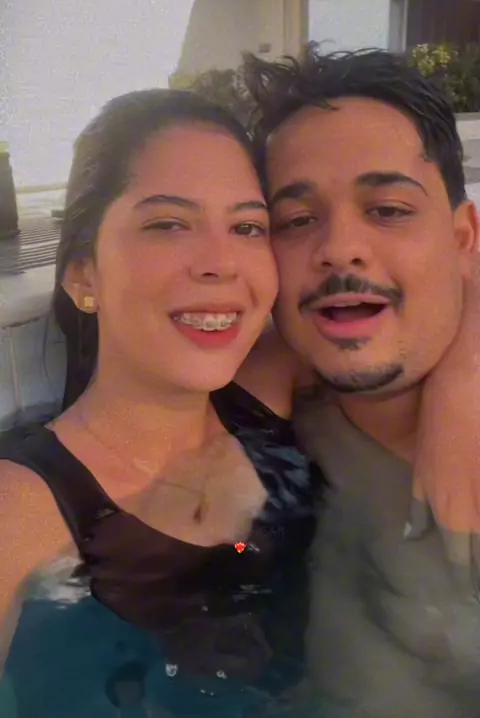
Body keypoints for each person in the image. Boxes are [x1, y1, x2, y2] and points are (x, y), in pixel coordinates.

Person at [0, 90, 319, 717]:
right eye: (168, 223)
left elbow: (429, 304)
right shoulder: (21, 511)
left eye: (247, 227)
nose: (221, 263)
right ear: (83, 274)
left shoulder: (266, 397)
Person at [241, 46, 480, 717]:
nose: (339, 247)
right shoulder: (260, 412)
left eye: (389, 209)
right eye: (297, 221)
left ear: (464, 239)